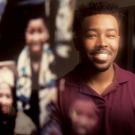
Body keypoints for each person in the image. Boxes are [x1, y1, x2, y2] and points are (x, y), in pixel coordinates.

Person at [42, 1, 135, 135]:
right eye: (91, 35)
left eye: (110, 35)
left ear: (118, 41)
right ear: (77, 42)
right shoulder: (56, 94)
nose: (102, 43)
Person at [16, 12, 57, 132]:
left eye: (40, 31)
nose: (35, 38)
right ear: (25, 35)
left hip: (51, 119)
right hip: (25, 121)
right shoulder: (19, 62)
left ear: (47, 34)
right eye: (31, 32)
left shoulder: (55, 62)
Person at [0, 65, 37, 135]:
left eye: (8, 96)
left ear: (13, 99)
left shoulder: (25, 127)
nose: (3, 101)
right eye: (0, 95)